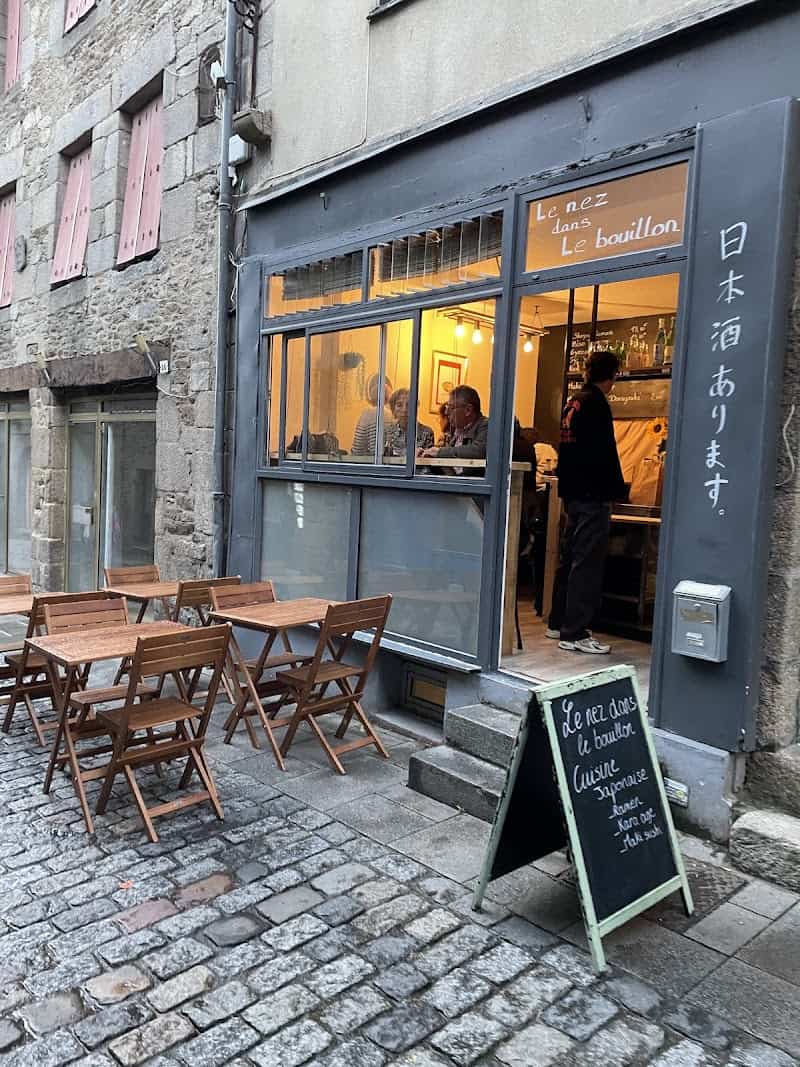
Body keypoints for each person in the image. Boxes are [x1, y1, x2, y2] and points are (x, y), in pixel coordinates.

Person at [546, 349, 625, 654]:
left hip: (573, 491)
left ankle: (558, 622)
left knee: (569, 558)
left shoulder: (574, 401)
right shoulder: (597, 404)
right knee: (586, 561)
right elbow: (605, 452)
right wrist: (614, 490)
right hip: (593, 493)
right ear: (613, 374)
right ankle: (575, 632)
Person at [418, 385, 489, 473]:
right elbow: (450, 471)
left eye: (451, 408)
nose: (446, 412)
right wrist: (428, 458)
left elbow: (478, 451)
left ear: (468, 410)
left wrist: (439, 452)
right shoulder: (457, 431)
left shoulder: (486, 426)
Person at [384, 388, 434, 457]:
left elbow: (427, 464)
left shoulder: (427, 433)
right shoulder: (387, 431)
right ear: (393, 409)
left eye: (409, 405)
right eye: (399, 405)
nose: (404, 410)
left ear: (416, 408)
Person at [351, 374, 392, 458]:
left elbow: (357, 448)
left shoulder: (367, 414)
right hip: (388, 463)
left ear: (370, 396)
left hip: (371, 462)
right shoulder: (391, 415)